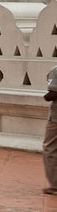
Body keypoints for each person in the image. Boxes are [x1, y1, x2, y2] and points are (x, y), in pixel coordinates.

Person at [43, 65, 57, 195]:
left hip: (56, 119)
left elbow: (53, 93)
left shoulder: (55, 70)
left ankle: (55, 184)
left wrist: (46, 96)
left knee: (50, 148)